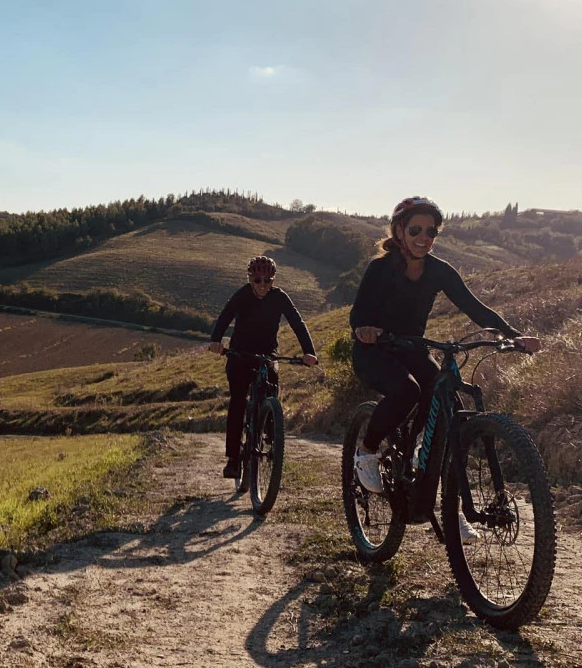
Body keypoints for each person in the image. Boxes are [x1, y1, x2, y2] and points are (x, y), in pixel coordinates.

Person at [349, 197, 540, 504]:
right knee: (407, 391)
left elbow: (477, 310)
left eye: (431, 232)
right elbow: (358, 315)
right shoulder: (380, 269)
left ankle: (451, 506)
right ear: (399, 232)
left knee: (444, 396)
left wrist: (514, 336)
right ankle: (367, 451)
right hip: (375, 351)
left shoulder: (439, 270)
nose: (424, 238)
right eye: (416, 230)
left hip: (413, 348)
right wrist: (365, 330)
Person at [208, 256, 319, 479]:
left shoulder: (280, 298)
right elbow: (225, 316)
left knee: (272, 390)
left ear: (273, 281)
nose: (262, 285)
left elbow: (297, 323)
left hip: (268, 354)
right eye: (257, 280)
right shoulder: (242, 295)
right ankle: (233, 458)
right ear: (250, 279)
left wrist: (310, 351)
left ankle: (270, 432)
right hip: (240, 354)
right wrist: (216, 341)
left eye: (267, 281)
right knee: (238, 401)